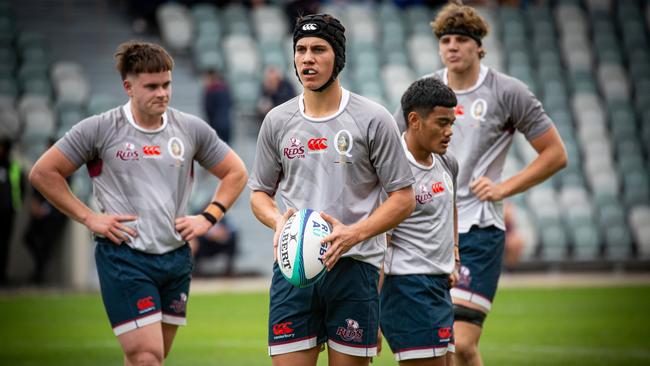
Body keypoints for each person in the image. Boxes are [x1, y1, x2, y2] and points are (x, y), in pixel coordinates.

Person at [29, 41, 248, 366]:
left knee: (146, 359)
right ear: (128, 87)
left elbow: (236, 172)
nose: (162, 92)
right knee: (147, 356)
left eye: (167, 84)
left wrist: (208, 217)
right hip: (124, 257)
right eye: (151, 86)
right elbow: (43, 173)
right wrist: (89, 217)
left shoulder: (190, 128)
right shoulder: (99, 129)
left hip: (175, 259)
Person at [393, 3, 567, 365]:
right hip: (429, 230)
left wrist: (505, 188)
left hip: (481, 230)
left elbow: (555, 154)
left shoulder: (507, 91)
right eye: (445, 40)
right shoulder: (424, 93)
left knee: (461, 343)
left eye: (460, 40)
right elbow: (396, 152)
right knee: (440, 346)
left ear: (479, 47)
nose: (452, 47)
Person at [248, 14, 416, 366]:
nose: (307, 58)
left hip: (355, 268)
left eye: (318, 49)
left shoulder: (373, 118)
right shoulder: (278, 121)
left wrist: (353, 234)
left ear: (338, 57)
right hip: (293, 269)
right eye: (300, 49)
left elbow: (403, 198)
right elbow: (259, 193)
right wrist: (278, 222)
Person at [380, 77, 459, 366]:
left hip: (438, 286)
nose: (449, 131)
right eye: (441, 123)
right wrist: (369, 314)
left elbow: (452, 205)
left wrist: (454, 254)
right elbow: (380, 241)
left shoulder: (447, 162)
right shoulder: (391, 168)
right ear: (414, 120)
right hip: (407, 287)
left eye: (452, 123)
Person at [24, 140, 69, 284]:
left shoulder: (66, 167)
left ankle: (39, 275)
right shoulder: (42, 165)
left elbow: (62, 192)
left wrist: (45, 208)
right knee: (29, 237)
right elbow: (36, 185)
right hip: (40, 212)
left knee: (46, 245)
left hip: (54, 214)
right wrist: (35, 205)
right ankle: (38, 271)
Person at [0, 136, 25, 286]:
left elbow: (21, 187)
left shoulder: (13, 166)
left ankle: (2, 275)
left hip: (8, 212)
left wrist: (16, 203)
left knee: (4, 244)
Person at [203, 69, 233, 144]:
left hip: (215, 125)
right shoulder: (226, 89)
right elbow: (230, 104)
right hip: (227, 124)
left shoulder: (210, 91)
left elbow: (208, 109)